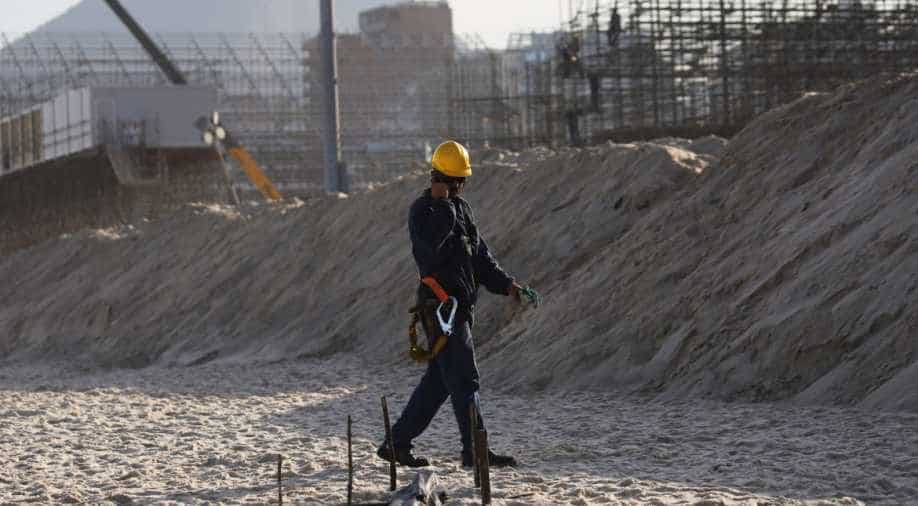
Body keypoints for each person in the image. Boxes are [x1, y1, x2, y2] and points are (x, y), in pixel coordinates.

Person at [377, 140, 524, 468]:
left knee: (440, 382)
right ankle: (475, 451)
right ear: (443, 178)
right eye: (459, 181)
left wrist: (507, 285)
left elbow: (480, 256)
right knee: (465, 378)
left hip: (461, 307)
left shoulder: (462, 208)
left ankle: (396, 443)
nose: (462, 186)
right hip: (441, 310)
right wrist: (441, 206)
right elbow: (428, 248)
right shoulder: (425, 211)